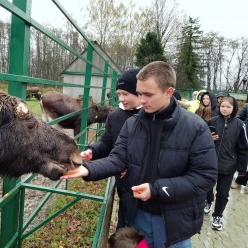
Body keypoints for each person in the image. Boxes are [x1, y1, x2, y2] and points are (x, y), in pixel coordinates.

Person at [61, 61, 218, 247]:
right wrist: (87, 169)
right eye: (140, 93)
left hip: (174, 222)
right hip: (138, 216)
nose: (142, 100)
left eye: (148, 95)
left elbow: (205, 177)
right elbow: (118, 158)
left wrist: (157, 189)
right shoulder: (133, 123)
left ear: (168, 92)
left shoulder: (196, 127)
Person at [80, 68, 142, 229]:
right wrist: (92, 151)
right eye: (119, 94)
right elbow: (107, 143)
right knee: (125, 226)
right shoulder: (115, 117)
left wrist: (129, 166)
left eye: (125, 94)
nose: (121, 99)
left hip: (146, 188)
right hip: (124, 186)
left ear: (138, 91)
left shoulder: (149, 117)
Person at [205, 96, 248, 230]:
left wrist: (242, 169)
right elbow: (201, 142)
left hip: (228, 166)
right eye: (223, 106)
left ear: (234, 108)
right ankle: (208, 201)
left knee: (223, 192)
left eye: (228, 107)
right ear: (219, 106)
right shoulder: (212, 121)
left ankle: (217, 216)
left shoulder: (240, 125)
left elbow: (243, 148)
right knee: (206, 188)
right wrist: (209, 138)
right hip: (210, 163)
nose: (225, 109)